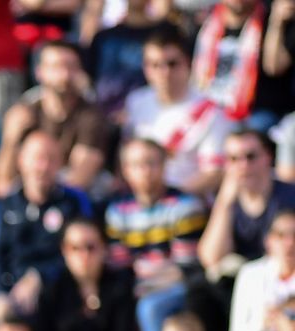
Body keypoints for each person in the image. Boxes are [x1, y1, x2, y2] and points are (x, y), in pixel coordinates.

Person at [105, 137, 206, 331]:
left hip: (180, 288)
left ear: (163, 166)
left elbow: (184, 268)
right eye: (137, 165)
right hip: (138, 286)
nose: (145, 171)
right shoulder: (116, 210)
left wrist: (142, 280)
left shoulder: (185, 206)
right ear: (126, 170)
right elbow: (120, 266)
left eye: (151, 163)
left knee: (149, 308)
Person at [0, 40, 111, 200]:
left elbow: (80, 180)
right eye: (56, 67)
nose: (65, 75)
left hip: (70, 201)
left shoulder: (91, 117)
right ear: (39, 72)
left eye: (71, 67)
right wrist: (11, 140)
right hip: (26, 198)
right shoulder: (24, 114)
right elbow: (1, 184)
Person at [0, 131, 93, 317]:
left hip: (58, 289)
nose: (43, 167)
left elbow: (82, 250)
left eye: (51, 159)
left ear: (60, 164)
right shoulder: (7, 205)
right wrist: (1, 293)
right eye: (37, 158)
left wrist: (39, 276)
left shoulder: (73, 202)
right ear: (21, 160)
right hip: (14, 289)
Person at [123, 27, 231, 198]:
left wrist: (170, 198)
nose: (164, 72)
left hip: (189, 203)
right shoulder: (136, 102)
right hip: (141, 202)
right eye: (155, 65)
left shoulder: (211, 111)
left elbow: (214, 173)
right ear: (145, 68)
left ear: (188, 63)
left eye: (172, 64)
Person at [199, 128, 295, 279]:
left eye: (251, 157)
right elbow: (211, 258)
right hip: (242, 280)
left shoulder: (290, 196)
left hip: (283, 279)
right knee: (202, 289)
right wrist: (224, 204)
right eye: (233, 159)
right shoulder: (227, 202)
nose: (243, 165)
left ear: (268, 157)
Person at [190, 0, 295, 129]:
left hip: (256, 113)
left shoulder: (271, 18)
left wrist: (277, 24)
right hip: (211, 107)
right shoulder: (204, 22)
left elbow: (274, 67)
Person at [228, 208, 295, 331]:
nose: (289, 243)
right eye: (281, 235)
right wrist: (262, 324)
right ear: (268, 240)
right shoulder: (250, 275)